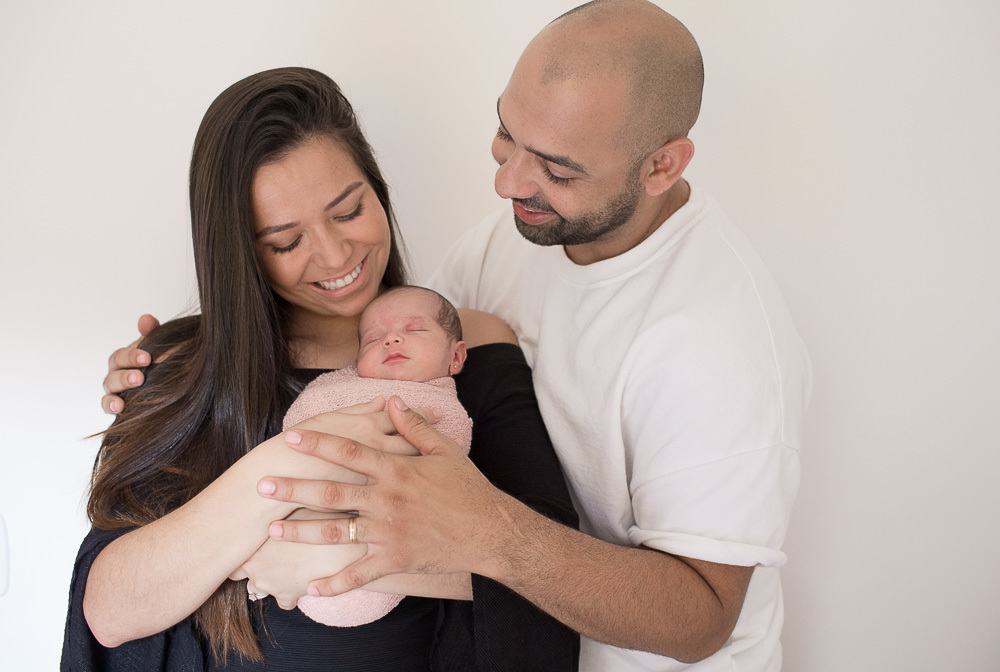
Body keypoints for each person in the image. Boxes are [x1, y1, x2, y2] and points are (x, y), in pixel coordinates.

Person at [104, 2, 811, 670]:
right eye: (507, 134)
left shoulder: (717, 343)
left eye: (556, 169)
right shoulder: (518, 236)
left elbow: (703, 619)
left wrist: (479, 533)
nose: (507, 183)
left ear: (663, 165)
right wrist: (170, 370)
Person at [64, 67, 579, 671]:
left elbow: (554, 575)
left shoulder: (462, 349)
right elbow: (110, 609)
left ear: (377, 190)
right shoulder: (177, 365)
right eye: (285, 242)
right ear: (241, 253)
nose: (336, 257)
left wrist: (332, 549)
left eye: (349, 210)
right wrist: (285, 468)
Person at [282, 285, 473, 627]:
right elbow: (296, 432)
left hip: (383, 536)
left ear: (455, 357)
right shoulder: (341, 387)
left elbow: (445, 479)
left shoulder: (441, 409)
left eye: (413, 330)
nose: (391, 340)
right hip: (297, 525)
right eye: (373, 339)